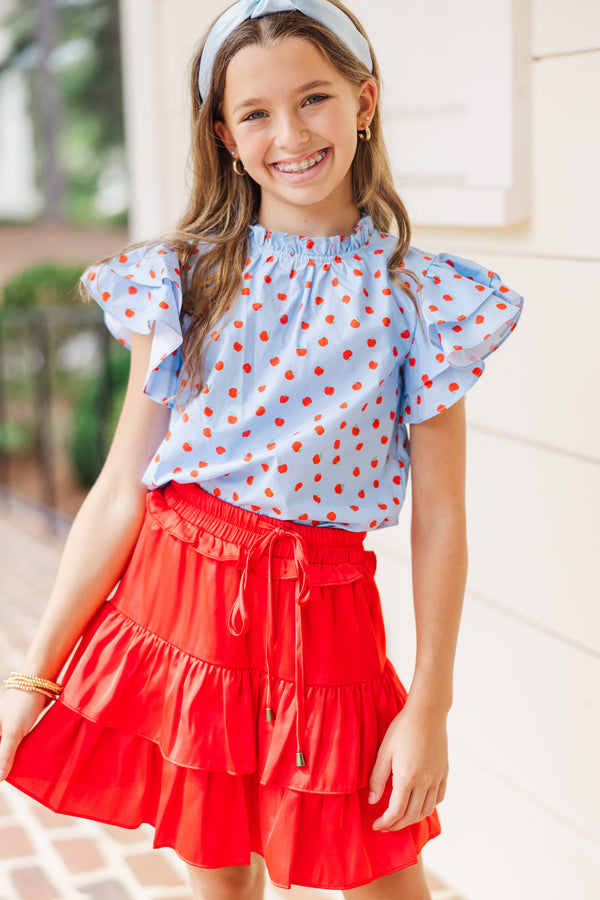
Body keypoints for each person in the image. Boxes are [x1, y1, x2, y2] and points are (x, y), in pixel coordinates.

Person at [0, 1, 523, 898]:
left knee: (385, 878)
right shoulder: (186, 281)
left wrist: (430, 701)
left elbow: (440, 514)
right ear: (226, 135)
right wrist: (36, 676)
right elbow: (123, 485)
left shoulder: (421, 301)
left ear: (364, 102)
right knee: (220, 887)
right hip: (185, 610)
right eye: (257, 113)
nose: (291, 133)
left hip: (328, 628)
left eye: (313, 98)